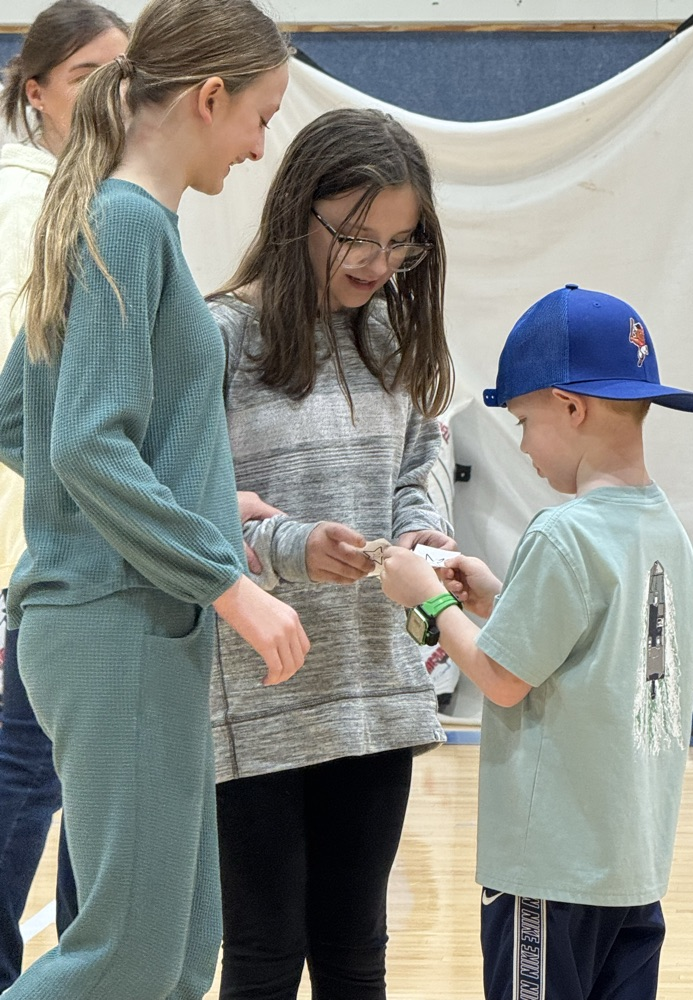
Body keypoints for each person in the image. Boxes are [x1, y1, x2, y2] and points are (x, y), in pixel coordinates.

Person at [0, 0, 310, 996]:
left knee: (180, 954)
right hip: (111, 618)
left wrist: (204, 498)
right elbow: (88, 447)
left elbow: (23, 412)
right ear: (209, 98)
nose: (263, 146)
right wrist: (227, 576)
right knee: (126, 952)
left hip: (136, 616)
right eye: (261, 115)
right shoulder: (125, 221)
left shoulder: (124, 221)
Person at [380, 283, 693, 1000]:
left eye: (524, 421)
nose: (524, 445)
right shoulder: (667, 532)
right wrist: (499, 595)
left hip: (551, 871)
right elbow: (602, 642)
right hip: (633, 870)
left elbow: (501, 678)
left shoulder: (564, 533)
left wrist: (430, 598)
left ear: (570, 406)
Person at [207, 107, 454, 1000]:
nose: (376, 262)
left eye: (399, 243)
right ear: (296, 212)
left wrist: (425, 534)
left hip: (375, 694)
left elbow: (420, 469)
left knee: (357, 955)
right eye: (354, 235)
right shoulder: (220, 336)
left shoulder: (394, 339)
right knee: (265, 958)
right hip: (257, 701)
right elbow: (186, 514)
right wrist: (287, 548)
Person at [0, 4, 129, 987]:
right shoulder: (46, 209)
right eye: (89, 73)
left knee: (65, 787)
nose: (110, 94)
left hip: (67, 557)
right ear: (33, 87)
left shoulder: (104, 203)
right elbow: (23, 407)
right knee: (41, 786)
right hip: (49, 559)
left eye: (126, 74)